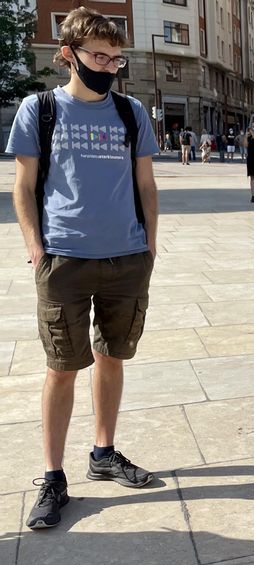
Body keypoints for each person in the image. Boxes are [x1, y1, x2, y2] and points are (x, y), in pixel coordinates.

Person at [6, 7, 160, 529]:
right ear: (68, 53)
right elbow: (23, 187)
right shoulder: (40, 109)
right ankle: (52, 477)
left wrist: (150, 246)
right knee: (62, 368)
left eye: (117, 59)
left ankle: (103, 452)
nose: (109, 66)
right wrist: (36, 248)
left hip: (126, 257)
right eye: (99, 56)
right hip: (64, 259)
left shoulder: (131, 112)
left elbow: (145, 184)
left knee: (113, 356)